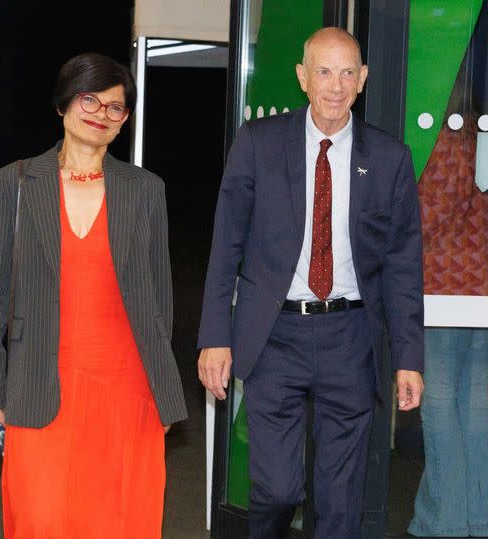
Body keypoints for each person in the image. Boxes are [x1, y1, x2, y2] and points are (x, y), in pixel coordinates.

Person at [197, 27, 425, 538]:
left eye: (348, 72)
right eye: (324, 71)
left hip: (349, 338)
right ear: (302, 77)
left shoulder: (389, 159)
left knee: (341, 502)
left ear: (363, 79)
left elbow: (403, 266)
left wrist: (409, 358)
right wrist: (214, 335)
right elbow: (225, 247)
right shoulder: (259, 143)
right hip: (275, 335)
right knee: (277, 490)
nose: (336, 85)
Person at [0, 52, 187, 538]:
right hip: (38, 386)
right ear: (64, 103)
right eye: (91, 99)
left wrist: (162, 392)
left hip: (128, 391)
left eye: (116, 108)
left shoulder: (145, 190)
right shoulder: (15, 184)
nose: (102, 114)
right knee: (42, 519)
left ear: (125, 119)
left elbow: (160, 305)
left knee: (119, 522)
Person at [408, 98, 488, 537]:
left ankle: (444, 521)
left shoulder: (448, 142)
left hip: (447, 286)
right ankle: (477, 518)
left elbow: (425, 218)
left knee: (439, 397)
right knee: (473, 399)